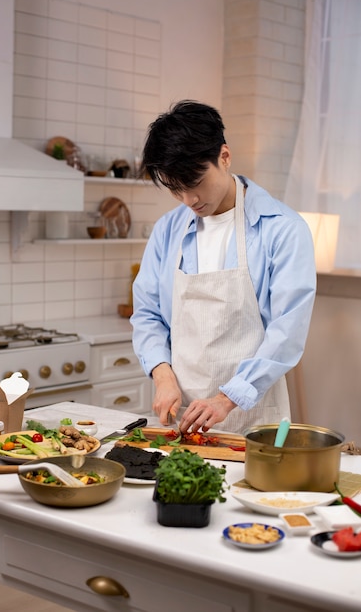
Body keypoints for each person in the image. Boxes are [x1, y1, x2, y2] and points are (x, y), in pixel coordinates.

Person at [130, 100, 317, 435]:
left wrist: (227, 397)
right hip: (181, 415)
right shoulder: (167, 230)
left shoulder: (283, 229)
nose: (188, 199)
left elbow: (287, 332)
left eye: (195, 181)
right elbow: (147, 314)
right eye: (175, 188)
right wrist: (162, 374)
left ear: (224, 157)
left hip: (254, 417)